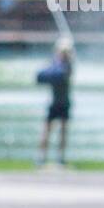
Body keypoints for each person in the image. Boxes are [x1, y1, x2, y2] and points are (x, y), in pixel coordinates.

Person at [36, 38, 74, 167]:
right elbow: (40, 76)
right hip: (53, 102)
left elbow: (59, 74)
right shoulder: (55, 63)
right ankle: (41, 158)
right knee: (46, 130)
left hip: (64, 102)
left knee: (63, 131)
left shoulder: (68, 66)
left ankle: (60, 158)